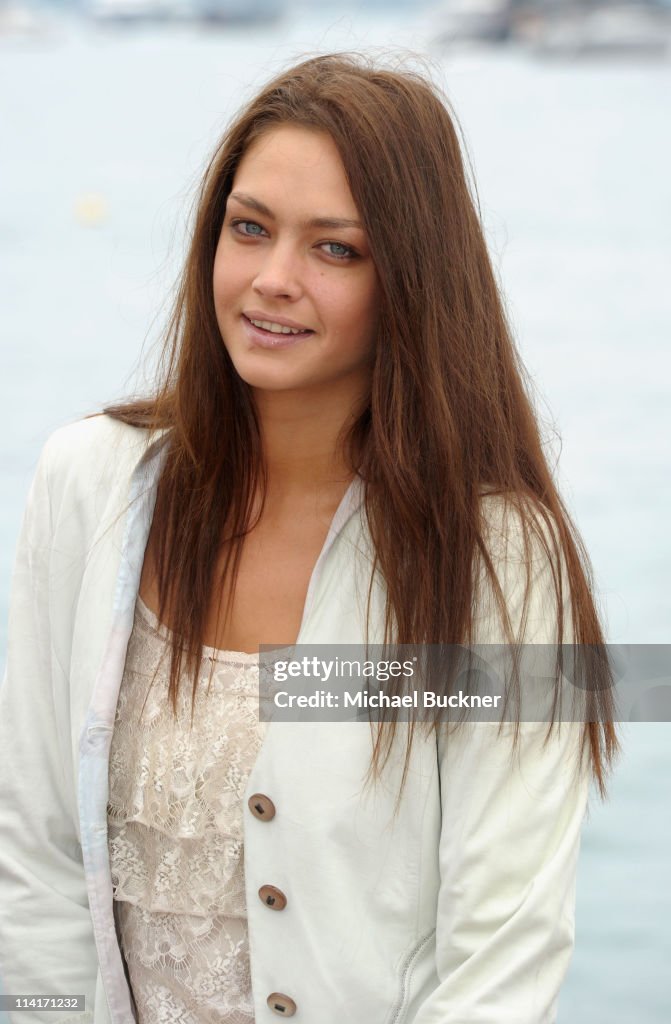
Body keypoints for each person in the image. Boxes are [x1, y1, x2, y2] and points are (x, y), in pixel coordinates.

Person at [0, 53, 618, 1024]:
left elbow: (499, 956)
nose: (272, 280)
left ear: (409, 281)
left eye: (335, 249)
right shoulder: (86, 483)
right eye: (249, 230)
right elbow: (30, 852)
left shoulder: (493, 559)